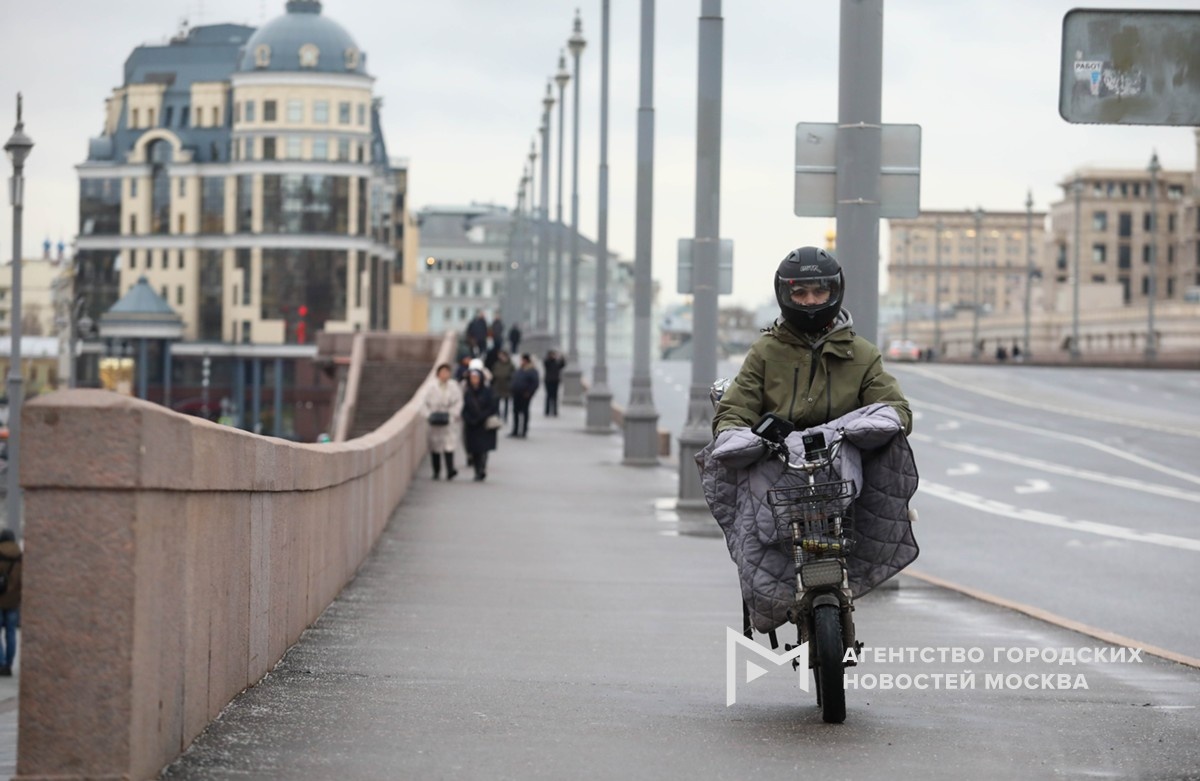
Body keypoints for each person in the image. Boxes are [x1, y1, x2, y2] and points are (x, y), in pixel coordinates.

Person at [713, 246, 911, 436]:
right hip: (776, 462)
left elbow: (894, 406)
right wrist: (733, 432)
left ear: (834, 292)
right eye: (800, 293)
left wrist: (874, 427)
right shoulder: (765, 351)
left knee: (889, 463)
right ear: (784, 295)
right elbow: (736, 408)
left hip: (844, 460)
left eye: (819, 292)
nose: (810, 301)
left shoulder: (863, 354)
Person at [422, 363, 463, 480]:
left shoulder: (454, 386)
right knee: (435, 446)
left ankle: (450, 470)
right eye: (442, 372)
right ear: (438, 374)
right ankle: (436, 470)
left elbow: (459, 401)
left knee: (449, 446)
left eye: (447, 372)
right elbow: (423, 403)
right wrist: (429, 415)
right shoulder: (430, 387)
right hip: (434, 419)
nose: (445, 374)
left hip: (448, 419)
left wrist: (453, 414)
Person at [461, 368, 499, 481]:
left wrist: (481, 417)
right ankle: (477, 470)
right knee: (474, 449)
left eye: (476, 377)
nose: (474, 380)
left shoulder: (488, 391)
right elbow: (464, 408)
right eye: (472, 378)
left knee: (483, 449)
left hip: (484, 424)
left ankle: (481, 469)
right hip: (471, 425)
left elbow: (492, 407)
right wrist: (469, 418)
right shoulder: (467, 392)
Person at [0, 530, 22, 676]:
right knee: (11, 633)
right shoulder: (21, 556)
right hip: (14, 601)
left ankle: (1, 663)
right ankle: (9, 664)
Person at [510, 353, 540, 438]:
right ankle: (515, 430)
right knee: (515, 412)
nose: (521, 361)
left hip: (525, 395)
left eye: (522, 360)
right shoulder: (520, 369)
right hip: (517, 394)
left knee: (524, 413)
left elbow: (535, 383)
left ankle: (524, 431)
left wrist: (529, 393)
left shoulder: (532, 370)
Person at [491, 350, 515, 422]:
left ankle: (505, 416)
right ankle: (498, 415)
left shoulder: (510, 365)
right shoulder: (497, 364)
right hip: (498, 386)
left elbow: (514, 375)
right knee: (496, 402)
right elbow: (494, 372)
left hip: (506, 386)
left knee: (506, 403)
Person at [543, 350, 566, 417]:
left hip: (555, 381)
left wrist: (562, 357)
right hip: (548, 381)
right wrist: (549, 357)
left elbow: (563, 364)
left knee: (555, 397)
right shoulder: (548, 362)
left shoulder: (557, 363)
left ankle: (555, 411)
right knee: (548, 396)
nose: (553, 356)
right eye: (552, 355)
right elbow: (545, 362)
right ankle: (547, 411)